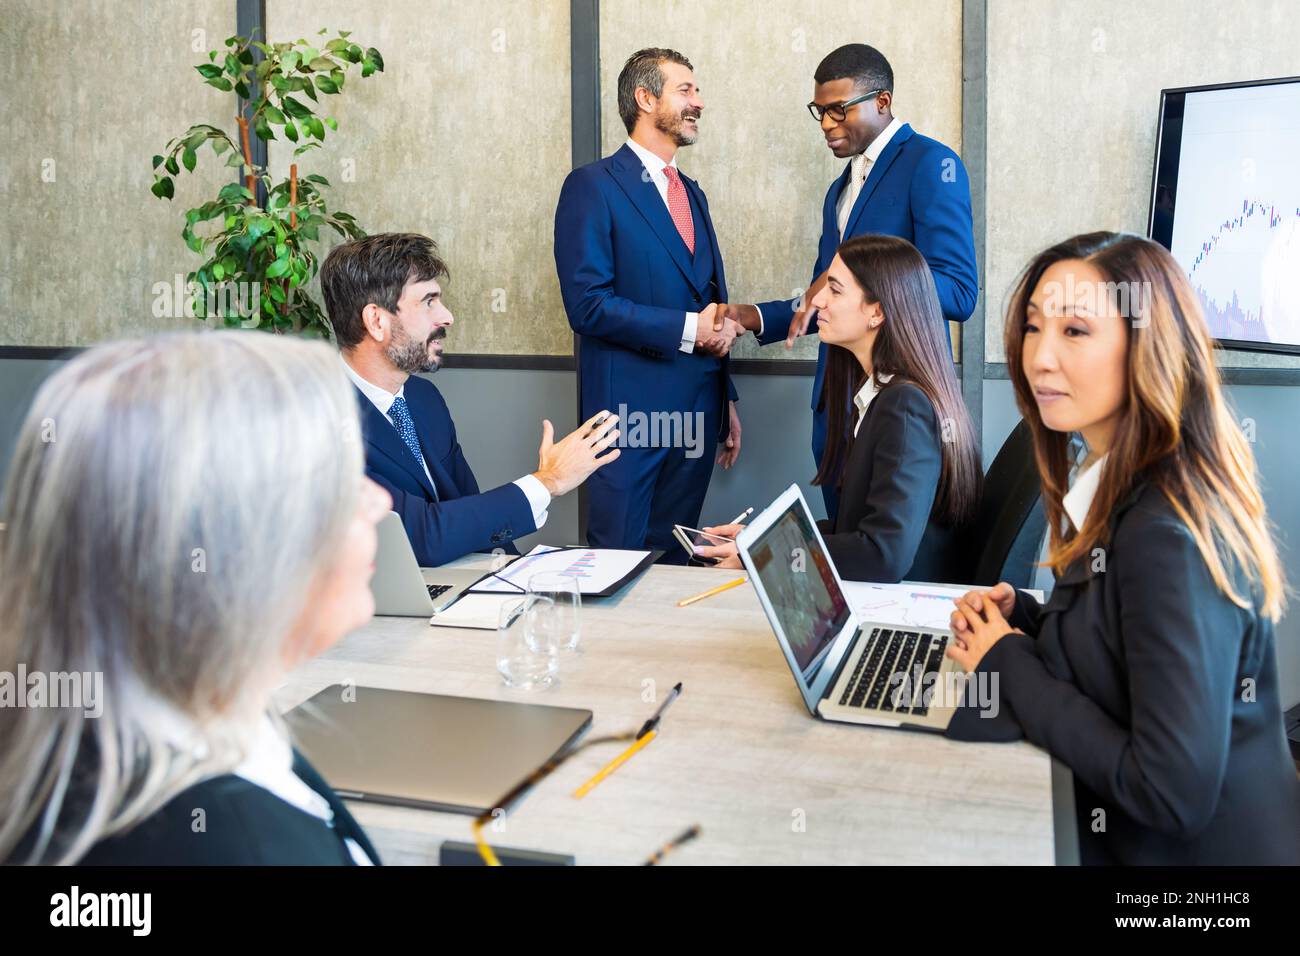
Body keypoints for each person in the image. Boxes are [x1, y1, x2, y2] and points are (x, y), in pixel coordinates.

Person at [945, 232, 1300, 864]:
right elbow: (1122, 644)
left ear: (1148, 347)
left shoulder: (1167, 535)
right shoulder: (1120, 478)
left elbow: (1170, 793)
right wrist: (1030, 617)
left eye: (1075, 331)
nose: (1039, 358)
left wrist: (1009, 662)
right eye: (1033, 327)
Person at [0, 332, 391, 864]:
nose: (379, 500)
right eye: (342, 484)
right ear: (239, 547)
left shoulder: (174, 732)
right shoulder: (239, 846)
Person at [718, 43, 978, 520]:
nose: (826, 124)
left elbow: (959, 291)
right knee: (846, 558)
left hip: (898, 404)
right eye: (820, 111)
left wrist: (869, 282)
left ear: (882, 101)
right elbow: (830, 296)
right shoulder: (839, 189)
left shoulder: (932, 165)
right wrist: (755, 316)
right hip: (835, 409)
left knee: (883, 561)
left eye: (839, 110)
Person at [321, 233, 620, 567]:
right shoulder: (320, 422)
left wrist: (520, 582)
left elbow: (466, 509)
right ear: (377, 321)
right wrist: (548, 481)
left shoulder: (423, 398)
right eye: (428, 302)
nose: (447, 316)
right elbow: (419, 537)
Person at [697, 235, 980, 584]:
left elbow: (882, 555)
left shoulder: (905, 406)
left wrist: (765, 554)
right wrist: (759, 538)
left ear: (877, 312)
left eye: (834, 289)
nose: (817, 300)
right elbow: (854, 529)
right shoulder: (883, 395)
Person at [554, 47, 745, 559]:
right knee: (616, 558)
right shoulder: (592, 187)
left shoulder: (694, 194)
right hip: (625, 422)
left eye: (696, 90)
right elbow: (588, 306)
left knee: (678, 559)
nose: (698, 102)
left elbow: (710, 299)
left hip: (698, 414)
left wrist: (725, 399)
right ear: (645, 98)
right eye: (686, 90)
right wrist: (690, 329)